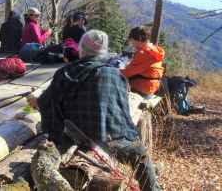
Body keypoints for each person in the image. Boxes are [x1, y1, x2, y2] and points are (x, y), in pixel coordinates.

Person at [28, 30, 161, 191]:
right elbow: (121, 110)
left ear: (81, 49)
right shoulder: (116, 75)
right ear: (104, 52)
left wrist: (35, 101)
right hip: (113, 137)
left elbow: (47, 103)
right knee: (141, 155)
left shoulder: (66, 72)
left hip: (74, 134)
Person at [121, 26, 165, 97]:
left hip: (141, 88)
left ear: (139, 39)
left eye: (132, 40)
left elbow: (127, 73)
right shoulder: (154, 50)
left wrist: (112, 70)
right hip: (152, 87)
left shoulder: (143, 53)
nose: (131, 43)